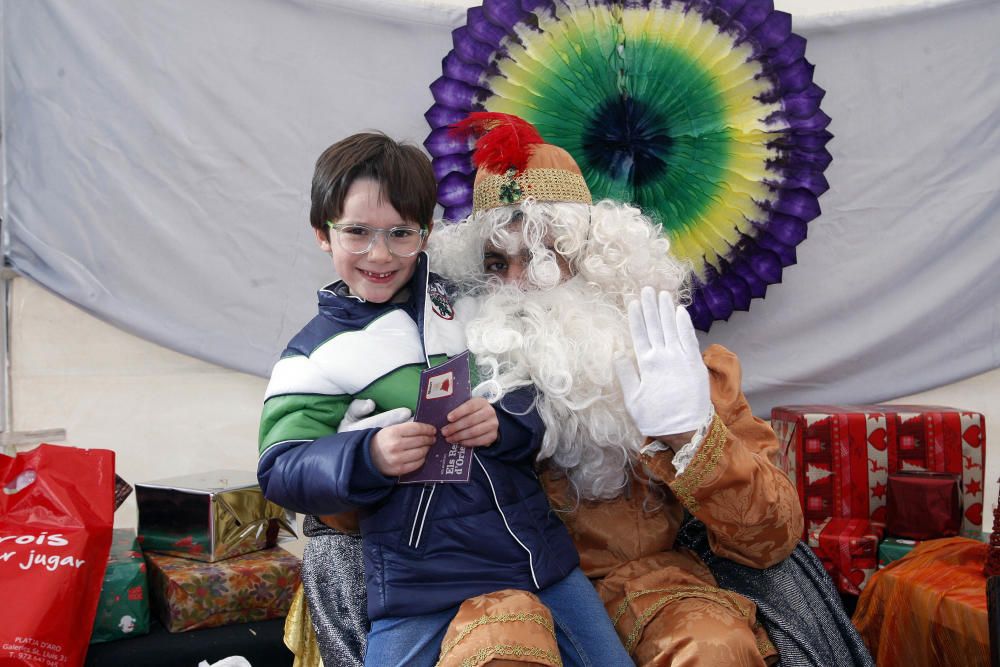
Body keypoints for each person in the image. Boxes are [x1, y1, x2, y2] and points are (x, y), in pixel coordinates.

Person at [419, 112, 872, 666]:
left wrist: (689, 434)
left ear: (596, 265)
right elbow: (354, 514)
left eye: (545, 255)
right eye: (497, 262)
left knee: (714, 648)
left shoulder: (684, 371)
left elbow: (772, 539)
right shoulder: (439, 370)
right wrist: (357, 443)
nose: (519, 283)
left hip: (643, 585)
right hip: (494, 586)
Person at [256, 131, 633, 667]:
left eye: (400, 233)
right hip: (420, 578)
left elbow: (539, 399)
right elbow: (279, 468)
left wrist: (504, 422)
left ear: (426, 232)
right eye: (358, 232)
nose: (379, 254)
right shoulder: (313, 354)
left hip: (534, 557)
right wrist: (368, 455)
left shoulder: (474, 303)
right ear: (324, 232)